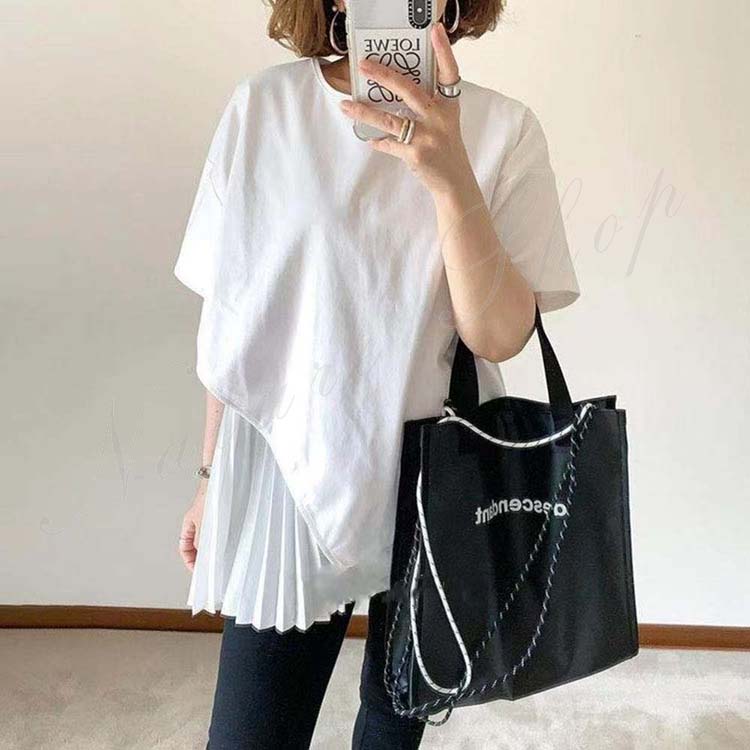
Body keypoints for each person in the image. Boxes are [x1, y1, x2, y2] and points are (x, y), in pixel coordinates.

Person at [174, 1, 580, 747]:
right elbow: (237, 320)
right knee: (249, 735)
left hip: (438, 478)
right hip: (289, 470)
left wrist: (451, 177)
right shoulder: (264, 109)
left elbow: (497, 338)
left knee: (393, 729)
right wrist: (209, 478)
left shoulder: (504, 129)